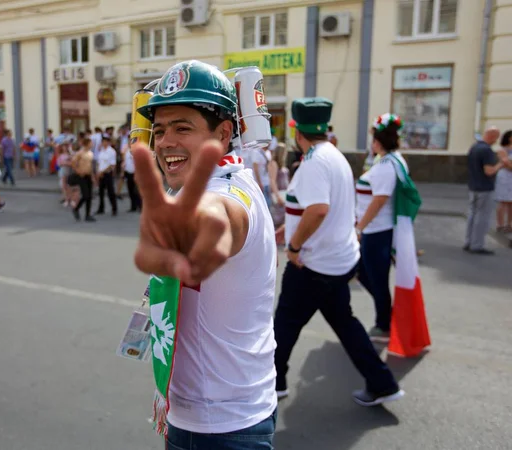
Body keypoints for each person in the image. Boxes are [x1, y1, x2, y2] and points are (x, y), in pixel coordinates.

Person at [133, 60, 277, 449]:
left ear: (223, 132)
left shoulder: (228, 194)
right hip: (201, 415)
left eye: (183, 128)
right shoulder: (217, 180)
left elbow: (221, 219)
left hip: (224, 430)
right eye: (159, 130)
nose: (164, 142)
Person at [274, 98, 403, 407]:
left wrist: (293, 246)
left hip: (313, 264)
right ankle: (383, 383)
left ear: (298, 131)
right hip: (337, 261)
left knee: (284, 325)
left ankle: (273, 383)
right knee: (346, 324)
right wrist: (287, 230)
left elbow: (318, 210)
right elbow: (315, 208)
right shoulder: (333, 155)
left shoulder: (314, 162)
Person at [355, 114, 409, 342]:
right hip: (376, 230)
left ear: (379, 141)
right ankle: (386, 312)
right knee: (365, 273)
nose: (372, 143)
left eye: (374, 139)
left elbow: (379, 200)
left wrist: (360, 227)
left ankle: (384, 323)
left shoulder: (387, 165)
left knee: (376, 278)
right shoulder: (389, 160)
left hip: (377, 231)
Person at [465, 127, 503, 254]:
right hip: (485, 188)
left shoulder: (474, 147)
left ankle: (468, 241)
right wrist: (501, 163)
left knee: (472, 215)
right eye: (496, 138)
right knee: (482, 217)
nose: (496, 141)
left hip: (473, 186)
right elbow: (489, 171)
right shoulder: (487, 151)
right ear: (492, 136)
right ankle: (477, 245)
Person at [71, 137, 96, 222]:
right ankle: (76, 208)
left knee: (89, 196)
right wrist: (78, 171)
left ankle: (87, 215)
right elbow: (73, 163)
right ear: (87, 143)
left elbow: (91, 166)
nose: (92, 144)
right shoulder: (80, 153)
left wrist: (93, 177)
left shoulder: (91, 153)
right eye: (90, 143)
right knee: (85, 195)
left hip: (88, 175)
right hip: (82, 176)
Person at [95, 134, 118, 216]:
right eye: (103, 141)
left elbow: (112, 165)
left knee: (110, 192)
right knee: (100, 192)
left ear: (108, 142)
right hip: (101, 174)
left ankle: (114, 208)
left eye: (105, 141)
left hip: (108, 173)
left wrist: (102, 172)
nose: (104, 143)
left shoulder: (111, 151)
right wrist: (98, 172)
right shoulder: (101, 151)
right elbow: (99, 162)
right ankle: (101, 208)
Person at [494, 130, 512, 233]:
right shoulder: (502, 150)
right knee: (503, 201)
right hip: (505, 177)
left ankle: (509, 224)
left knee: (511, 202)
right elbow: (506, 163)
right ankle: (500, 224)